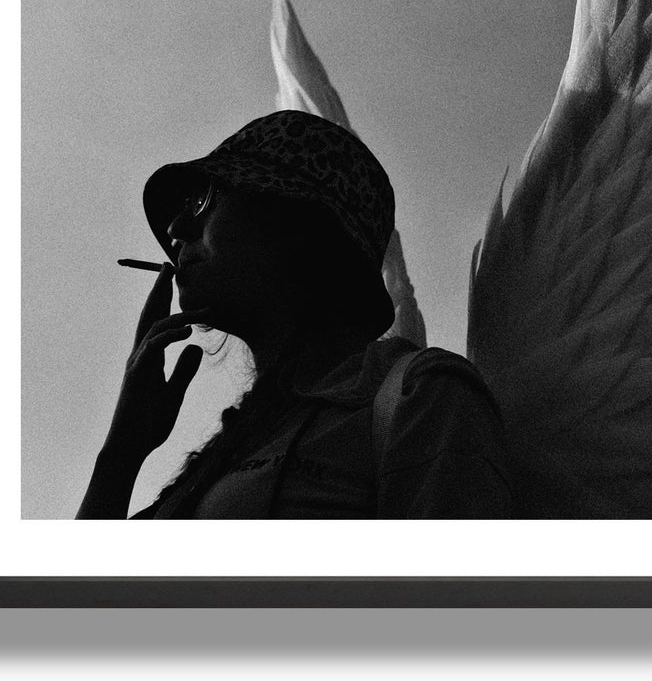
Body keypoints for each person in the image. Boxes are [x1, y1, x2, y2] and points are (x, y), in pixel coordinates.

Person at [77, 112, 514, 518]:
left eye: (204, 200)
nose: (175, 231)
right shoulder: (221, 456)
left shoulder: (420, 395)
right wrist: (123, 450)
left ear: (299, 222)